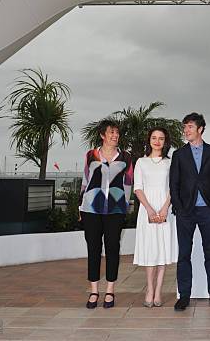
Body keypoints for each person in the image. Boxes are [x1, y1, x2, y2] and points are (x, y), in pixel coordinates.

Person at [170, 113, 210, 311]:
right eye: (184, 127)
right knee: (184, 254)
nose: (186, 130)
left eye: (190, 127)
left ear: (200, 129)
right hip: (185, 212)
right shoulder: (178, 154)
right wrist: (178, 207)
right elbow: (174, 183)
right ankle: (184, 296)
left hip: (207, 212)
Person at [79, 119, 133, 309]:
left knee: (112, 248)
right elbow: (85, 181)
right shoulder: (91, 155)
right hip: (91, 209)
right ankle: (94, 291)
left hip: (115, 210)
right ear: (102, 135)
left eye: (117, 133)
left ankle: (110, 290)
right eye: (111, 132)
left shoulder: (125, 157)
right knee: (93, 248)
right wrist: (80, 206)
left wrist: (125, 206)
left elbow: (128, 184)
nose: (115, 136)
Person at [133, 127, 178, 307]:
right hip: (147, 209)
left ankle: (158, 291)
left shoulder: (170, 163)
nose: (157, 141)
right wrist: (150, 210)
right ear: (149, 140)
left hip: (166, 209)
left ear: (165, 141)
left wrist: (165, 208)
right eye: (154, 137)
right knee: (150, 250)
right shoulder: (141, 162)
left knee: (162, 250)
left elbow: (173, 188)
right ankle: (149, 290)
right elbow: (138, 188)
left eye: (161, 138)